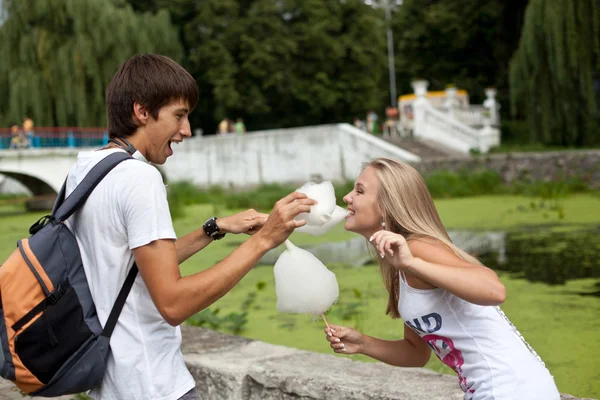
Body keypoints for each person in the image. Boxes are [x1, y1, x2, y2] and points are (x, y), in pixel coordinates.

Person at [64, 54, 316, 400]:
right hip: (154, 383)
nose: (186, 131)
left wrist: (214, 229)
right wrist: (264, 241)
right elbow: (173, 304)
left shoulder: (85, 170)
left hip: (110, 384)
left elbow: (125, 265)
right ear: (142, 112)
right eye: (179, 116)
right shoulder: (140, 178)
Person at [324, 158, 560, 400]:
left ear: (386, 206)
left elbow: (494, 290)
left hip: (510, 390)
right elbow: (416, 352)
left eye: (359, 191)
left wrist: (412, 263)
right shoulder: (401, 264)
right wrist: (363, 343)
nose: (347, 197)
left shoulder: (417, 249)